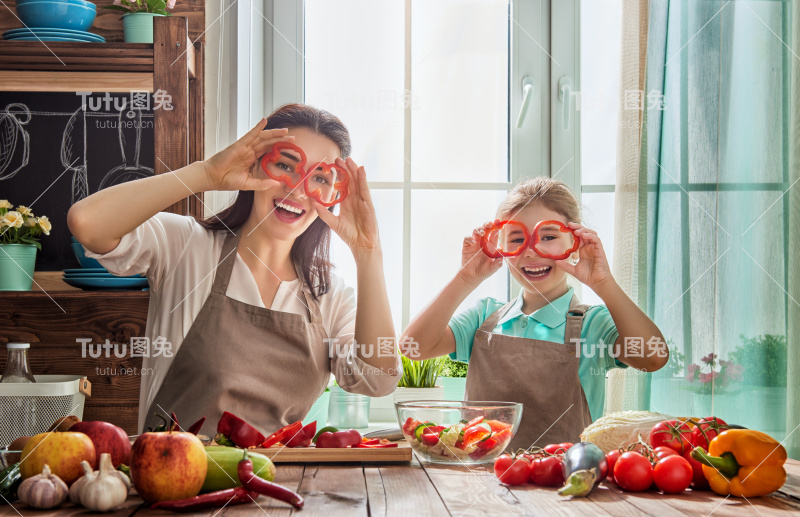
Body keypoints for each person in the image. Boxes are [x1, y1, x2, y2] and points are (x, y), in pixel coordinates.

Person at [68, 104, 401, 435]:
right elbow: (87, 223)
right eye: (285, 165)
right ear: (255, 165)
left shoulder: (329, 296)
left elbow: (379, 380)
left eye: (319, 177)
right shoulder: (187, 247)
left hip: (281, 484)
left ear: (332, 194)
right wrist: (207, 174)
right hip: (173, 480)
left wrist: (368, 252)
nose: (297, 190)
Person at [400, 177, 667, 449]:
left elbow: (653, 357)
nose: (530, 252)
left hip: (565, 483)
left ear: (574, 242)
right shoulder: (484, 319)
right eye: (517, 239)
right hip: (482, 484)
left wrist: (602, 282)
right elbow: (413, 346)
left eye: (548, 237)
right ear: (501, 248)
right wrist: (466, 276)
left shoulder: (592, 325)